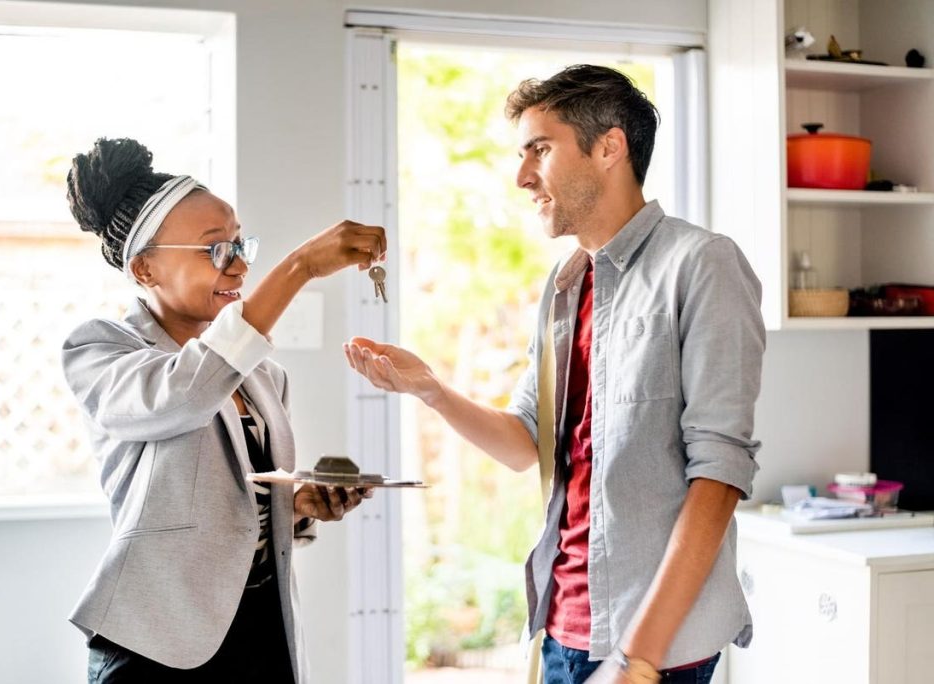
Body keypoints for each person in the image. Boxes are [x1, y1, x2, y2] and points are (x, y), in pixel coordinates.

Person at [345, 65, 765, 684]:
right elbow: (527, 442)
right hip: (564, 628)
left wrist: (638, 659)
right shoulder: (566, 284)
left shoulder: (701, 264)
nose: (522, 176)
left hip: (652, 648)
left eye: (539, 149)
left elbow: (719, 474)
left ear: (609, 147)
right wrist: (430, 389)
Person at [63, 137, 385, 683]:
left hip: (260, 632)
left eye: (240, 244)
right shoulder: (100, 349)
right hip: (156, 645)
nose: (238, 266)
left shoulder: (264, 375)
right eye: (215, 250)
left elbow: (233, 499)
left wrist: (298, 505)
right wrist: (301, 266)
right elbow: (186, 394)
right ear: (144, 269)